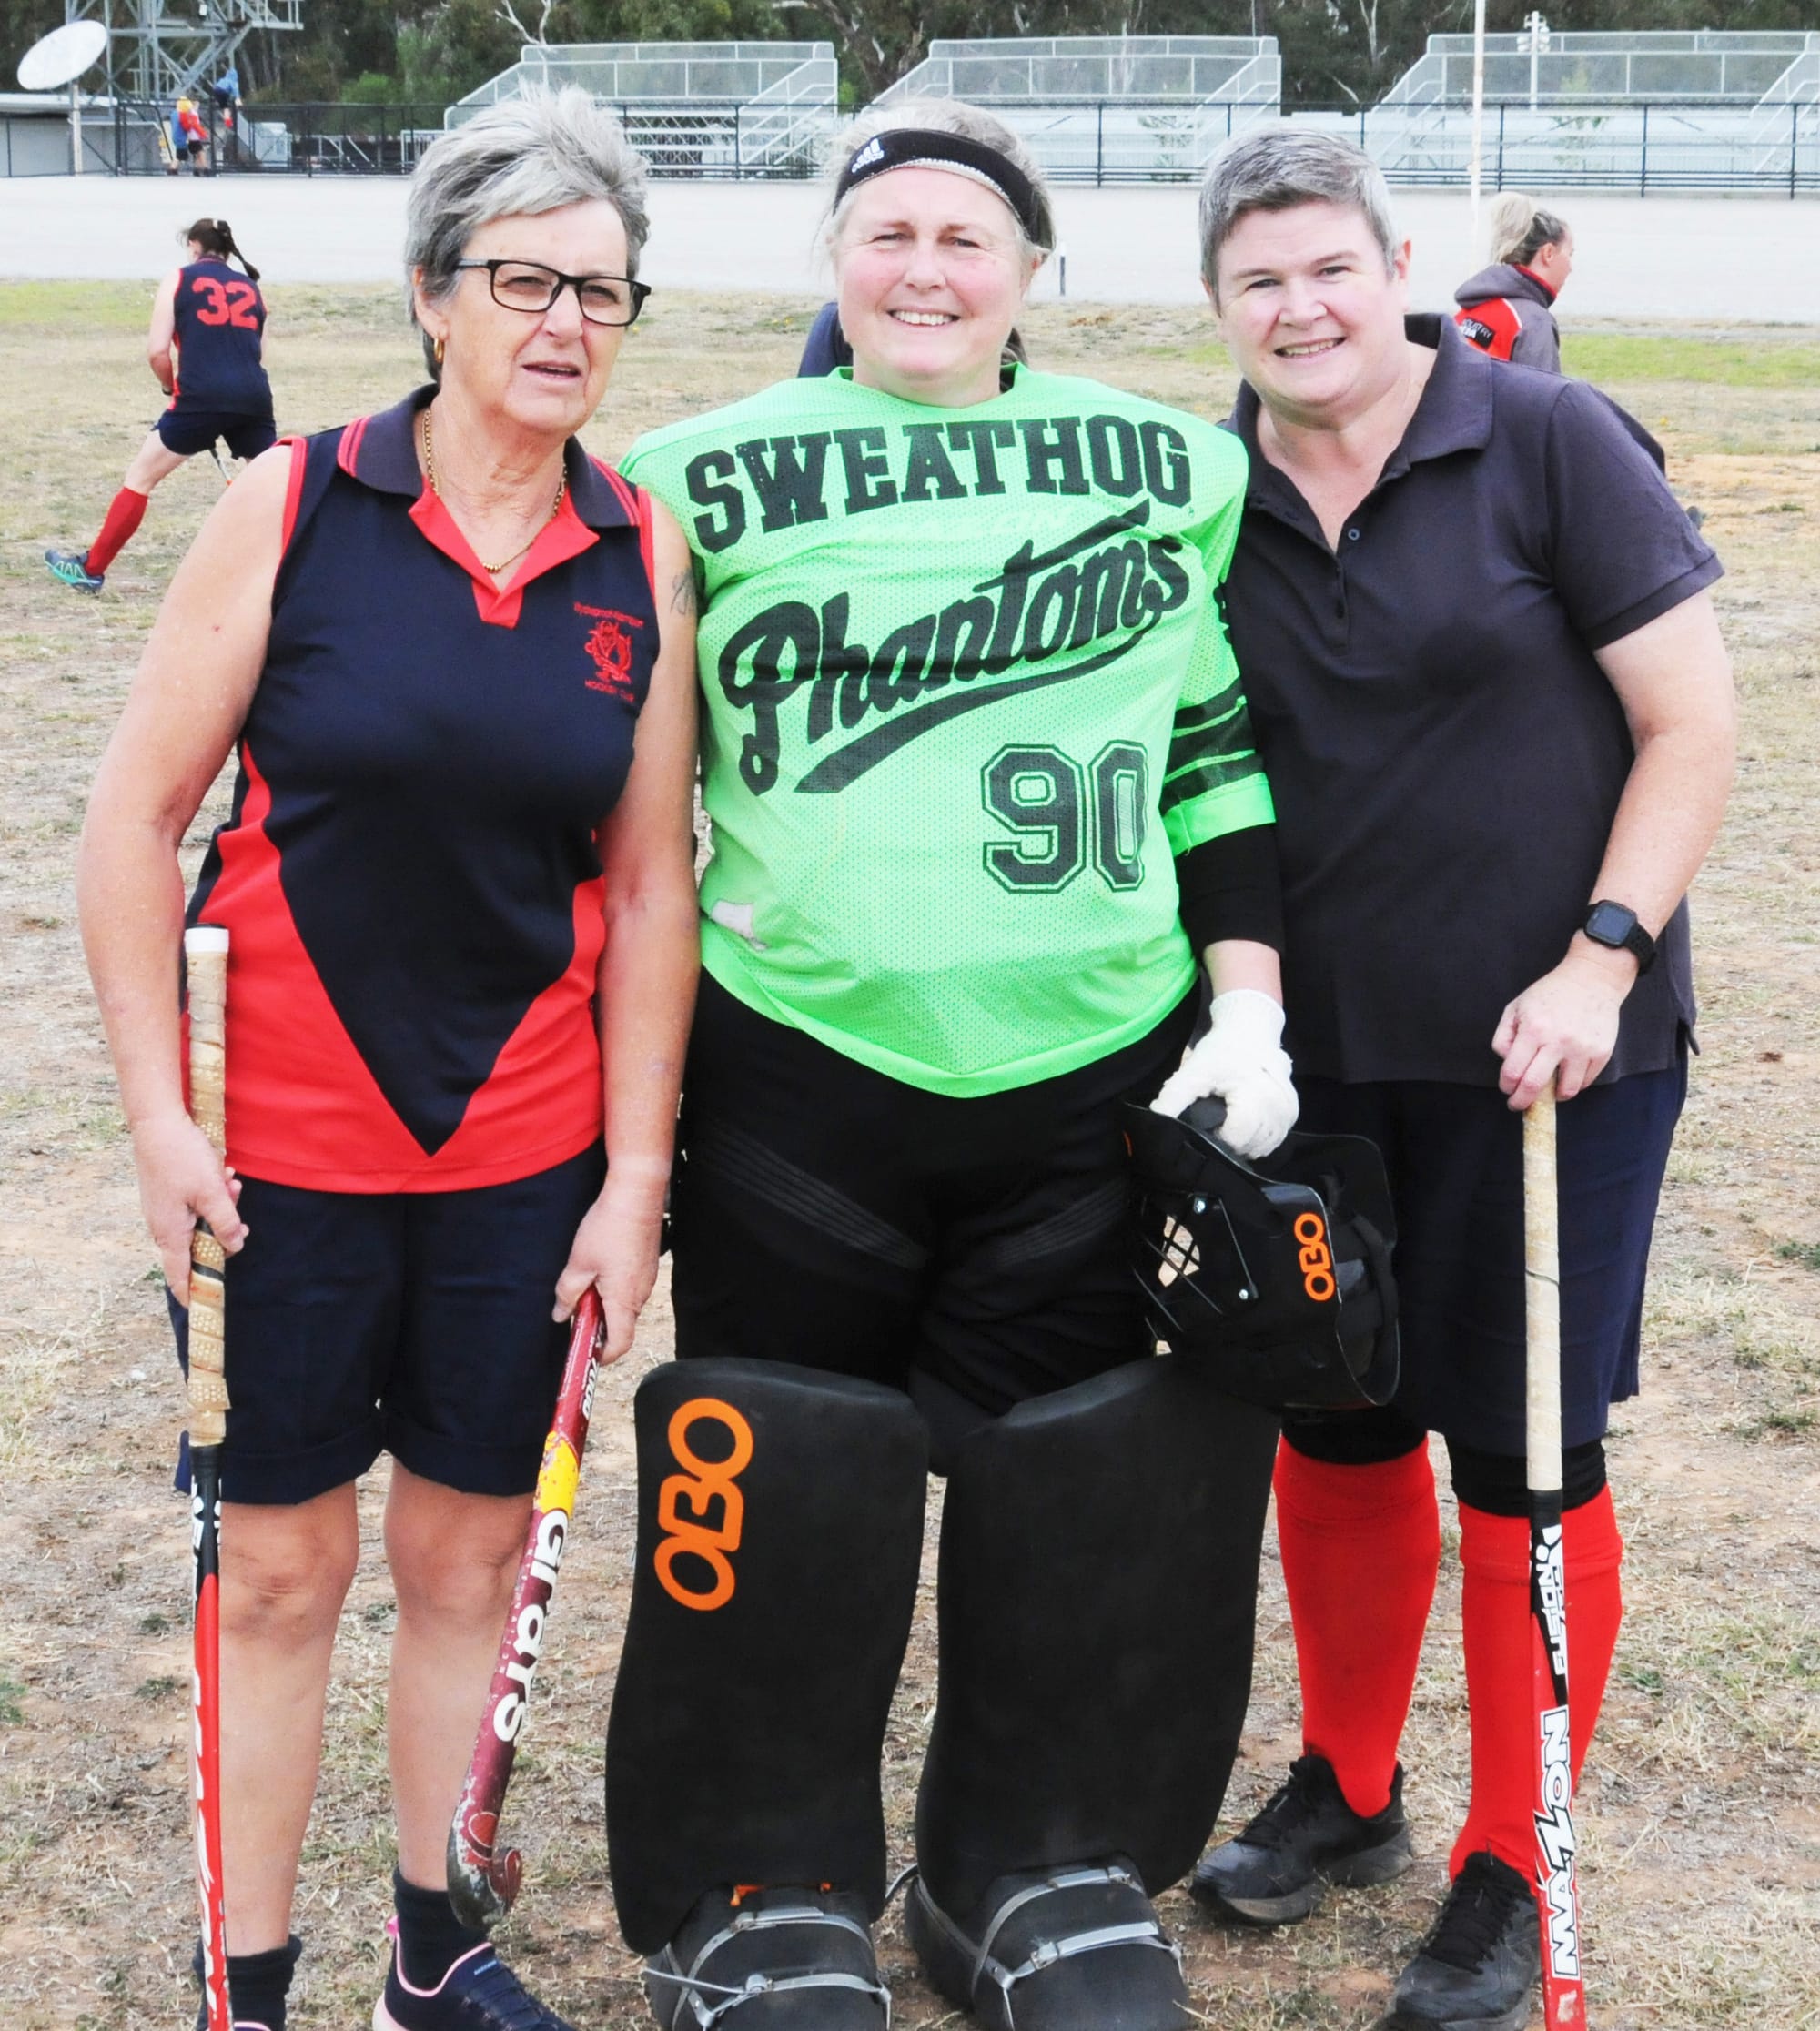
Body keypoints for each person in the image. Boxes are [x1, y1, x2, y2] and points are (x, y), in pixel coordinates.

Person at [607, 98, 1291, 2031]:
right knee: (787, 1487)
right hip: (803, 1072)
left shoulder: (1168, 470)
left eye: (965, 237)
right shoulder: (687, 478)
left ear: (1033, 269)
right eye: (887, 231)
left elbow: (1211, 748)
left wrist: (1247, 1001)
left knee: (1067, 1493)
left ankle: (1021, 1862)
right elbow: (630, 809)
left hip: (1086, 1071)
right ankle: (760, 1882)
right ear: (833, 259)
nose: (924, 266)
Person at [76, 89, 698, 2031]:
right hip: (278, 1160)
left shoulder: (636, 548)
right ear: (436, 294)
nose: (565, 322)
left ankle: (433, 1946)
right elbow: (125, 823)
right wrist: (162, 1122)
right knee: (278, 1574)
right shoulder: (303, 503)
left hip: (520, 1156)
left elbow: (654, 884)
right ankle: (247, 1986)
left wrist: (633, 1177)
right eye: (523, 278)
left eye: (603, 289)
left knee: (468, 1550)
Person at [1188, 130, 1734, 2031]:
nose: (1298, 307)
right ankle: (1349, 1784)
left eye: (1327, 267)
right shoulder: (1208, 492)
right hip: (1314, 1061)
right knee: (1334, 1425)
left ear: (1393, 261)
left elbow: (1690, 720)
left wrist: (1601, 956)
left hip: (1546, 1059)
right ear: (1220, 306)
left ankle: (1515, 1848)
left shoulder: (1544, 440)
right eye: (1258, 280)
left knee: (1518, 1459)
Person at [46, 219, 277, 597]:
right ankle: (302, 568)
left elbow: (157, 351)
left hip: (200, 397)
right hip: (253, 398)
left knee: (140, 478)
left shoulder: (178, 279)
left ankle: (91, 569)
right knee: (275, 488)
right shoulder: (252, 288)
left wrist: (170, 386)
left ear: (193, 245)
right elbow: (259, 353)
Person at [1453, 192, 1572, 370]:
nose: (1571, 267)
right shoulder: (1533, 322)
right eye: (1570, 254)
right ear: (1548, 253)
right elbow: (1541, 396)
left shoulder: (1467, 314)